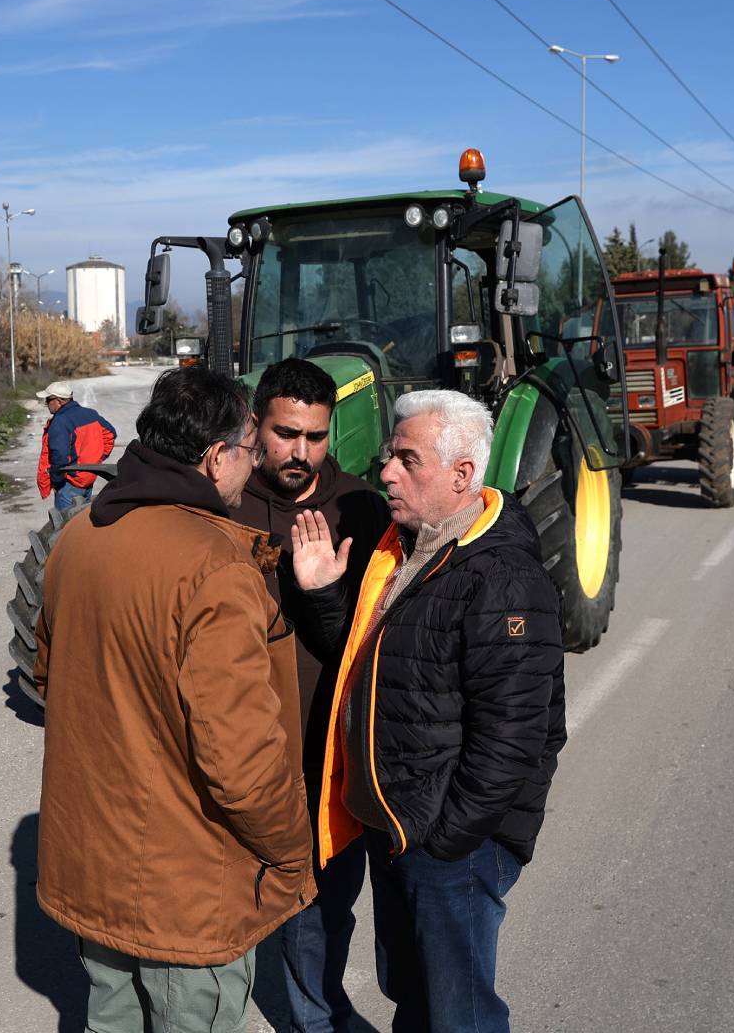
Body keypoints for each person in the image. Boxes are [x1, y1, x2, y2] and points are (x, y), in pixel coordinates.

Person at [34, 365, 312, 1033]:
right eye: (250, 450)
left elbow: (52, 681)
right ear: (217, 457)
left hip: (93, 869)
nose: (257, 465)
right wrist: (294, 849)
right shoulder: (216, 567)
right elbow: (242, 764)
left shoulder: (77, 539)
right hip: (187, 891)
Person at [292, 389, 565, 1033]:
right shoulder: (405, 548)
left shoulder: (501, 578)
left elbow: (516, 737)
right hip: (401, 825)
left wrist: (446, 841)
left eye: (406, 459)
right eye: (390, 455)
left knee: (458, 1012)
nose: (386, 471)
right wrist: (327, 595)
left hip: (448, 842)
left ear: (462, 474)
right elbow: (384, 668)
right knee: (412, 993)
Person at [231, 358, 388, 1033]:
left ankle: (317, 1011)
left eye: (315, 437)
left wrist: (322, 590)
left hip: (326, 753)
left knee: (324, 907)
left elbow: (369, 643)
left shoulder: (360, 507)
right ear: (256, 423)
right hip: (238, 749)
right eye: (285, 433)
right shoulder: (223, 506)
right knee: (234, 901)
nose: (300, 453)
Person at [36, 380, 117, 513]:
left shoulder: (60, 422)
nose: (46, 403)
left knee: (65, 528)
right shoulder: (90, 414)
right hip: (89, 477)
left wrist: (57, 481)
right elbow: (110, 434)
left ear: (59, 401)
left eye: (48, 399)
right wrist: (97, 459)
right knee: (82, 522)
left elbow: (60, 457)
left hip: (69, 484)